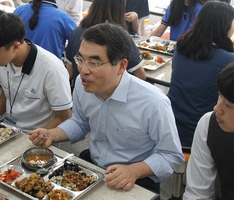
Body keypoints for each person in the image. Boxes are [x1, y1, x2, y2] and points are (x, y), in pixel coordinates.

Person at [29, 23, 184, 193]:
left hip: (137, 177)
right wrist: (52, 134)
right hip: (94, 167)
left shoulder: (153, 103)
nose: (83, 70)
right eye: (80, 59)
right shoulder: (83, 85)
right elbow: (80, 123)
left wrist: (133, 171)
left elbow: (171, 155)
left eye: (94, 63)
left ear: (122, 66)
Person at [0, 10, 72, 131]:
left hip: (34, 135)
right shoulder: (2, 59)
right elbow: (7, 92)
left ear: (15, 47)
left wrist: (36, 138)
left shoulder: (51, 69)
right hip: (7, 129)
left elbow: (64, 117)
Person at [167, 1, 234, 148]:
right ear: (225, 26)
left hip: (169, 125)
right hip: (201, 134)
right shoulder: (228, 60)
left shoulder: (181, 47)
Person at [65, 0, 146, 88]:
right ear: (120, 8)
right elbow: (141, 76)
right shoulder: (119, 35)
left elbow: (70, 72)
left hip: (79, 89)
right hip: (108, 96)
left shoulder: (77, 31)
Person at [183, 63, 234, 200]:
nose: (217, 108)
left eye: (229, 105)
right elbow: (197, 194)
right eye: (220, 95)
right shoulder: (209, 125)